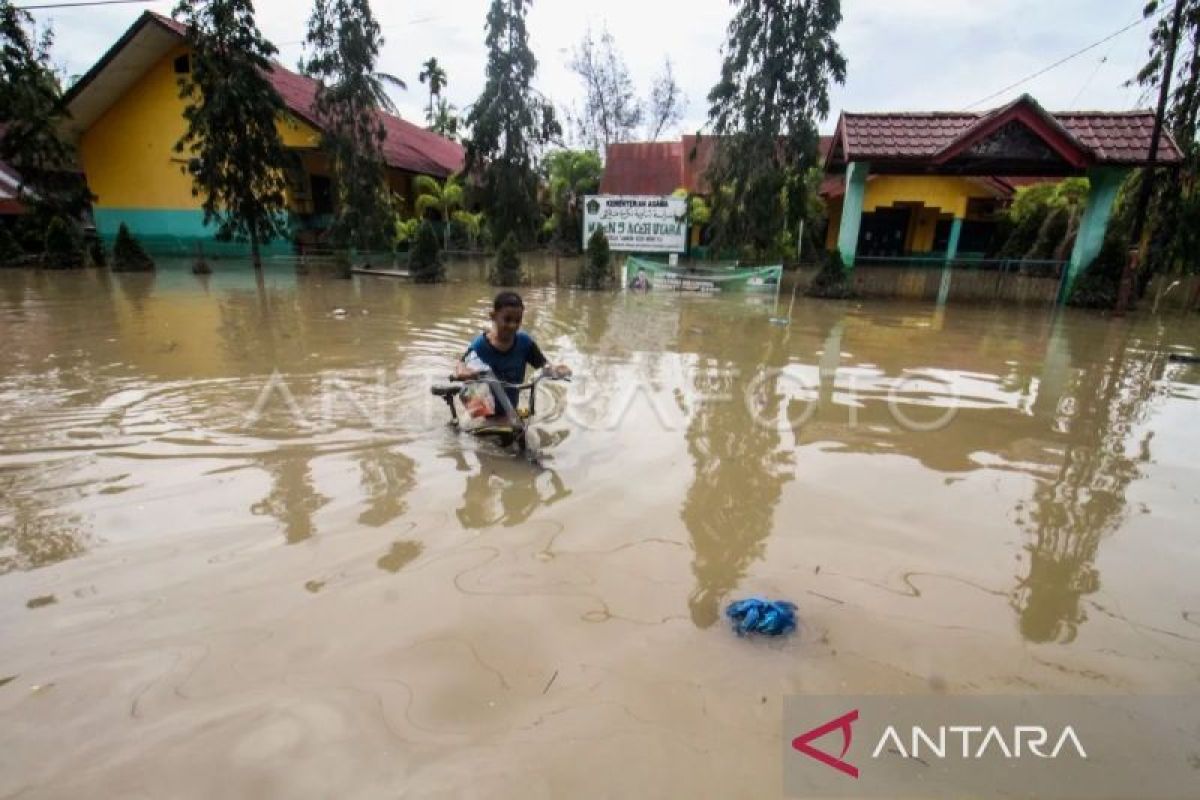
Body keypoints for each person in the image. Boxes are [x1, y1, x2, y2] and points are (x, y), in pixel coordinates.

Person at [454, 291, 571, 414]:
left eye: (517, 320)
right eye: (507, 319)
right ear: (493, 316)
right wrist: (465, 372)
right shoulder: (480, 346)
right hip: (483, 413)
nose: (513, 325)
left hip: (510, 411)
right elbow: (460, 365)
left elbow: (543, 366)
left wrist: (557, 371)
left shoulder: (525, 343)